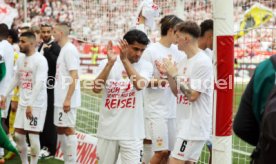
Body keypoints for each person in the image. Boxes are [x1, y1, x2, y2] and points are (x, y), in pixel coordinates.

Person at [93, 29, 153, 164]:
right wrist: (110, 63)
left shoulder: (146, 66)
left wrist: (125, 60)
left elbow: (139, 85)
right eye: (135, 49)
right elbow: (96, 88)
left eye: (142, 50)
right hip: (107, 131)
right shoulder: (106, 63)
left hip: (132, 133)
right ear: (124, 45)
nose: (139, 54)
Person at [163, 21, 214, 164]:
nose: (175, 41)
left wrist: (175, 75)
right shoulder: (184, 61)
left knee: (173, 162)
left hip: (194, 126)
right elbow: (177, 93)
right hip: (185, 124)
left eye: (178, 37)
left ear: (187, 39)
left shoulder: (202, 62)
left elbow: (192, 95)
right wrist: (169, 73)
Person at [0, 31, 48, 164]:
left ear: (32, 43)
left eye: (23, 41)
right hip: (23, 101)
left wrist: (30, 104)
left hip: (36, 104)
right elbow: (16, 78)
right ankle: (24, 162)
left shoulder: (40, 60)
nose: (19, 44)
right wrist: (5, 94)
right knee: (18, 136)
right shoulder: (21, 58)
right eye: (20, 41)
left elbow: (39, 84)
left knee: (33, 138)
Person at [141, 15, 183, 164]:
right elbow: (142, 80)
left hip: (173, 110)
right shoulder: (150, 51)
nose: (181, 35)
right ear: (171, 30)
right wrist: (162, 81)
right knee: (160, 152)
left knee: (169, 154)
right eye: (179, 31)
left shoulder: (179, 51)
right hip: (155, 110)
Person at [53, 23, 81, 163]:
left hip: (67, 99)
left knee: (69, 129)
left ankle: (72, 161)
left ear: (61, 33)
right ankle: (66, 159)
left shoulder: (69, 50)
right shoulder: (64, 49)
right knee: (61, 128)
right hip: (61, 98)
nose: (52, 34)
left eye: (54, 32)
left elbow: (74, 75)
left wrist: (68, 99)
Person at [38, 23, 61, 158]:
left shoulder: (55, 47)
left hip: (51, 88)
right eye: (43, 32)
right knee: (42, 117)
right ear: (40, 33)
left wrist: (47, 52)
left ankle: (50, 149)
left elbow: (57, 65)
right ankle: (42, 145)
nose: (46, 34)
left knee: (49, 119)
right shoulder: (41, 45)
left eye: (48, 32)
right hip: (41, 88)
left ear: (51, 32)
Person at [198, 19, 214, 164]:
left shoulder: (211, 55)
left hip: (207, 110)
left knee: (214, 150)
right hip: (189, 110)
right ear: (210, 36)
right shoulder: (187, 53)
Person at [0, 23, 14, 160]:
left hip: (1, 89)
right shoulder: (9, 47)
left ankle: (2, 153)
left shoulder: (2, 47)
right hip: (7, 89)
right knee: (2, 119)